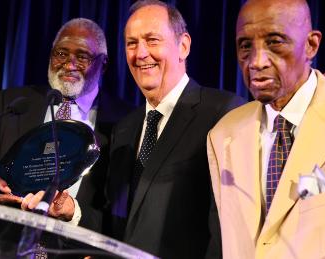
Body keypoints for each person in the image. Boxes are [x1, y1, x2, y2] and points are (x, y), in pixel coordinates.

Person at [207, 0, 325, 258]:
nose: (256, 61)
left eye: (274, 42)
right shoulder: (222, 135)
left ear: (311, 44)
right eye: (245, 46)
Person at [0, 18, 132, 231]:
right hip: (4, 241)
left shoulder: (125, 121)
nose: (69, 65)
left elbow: (123, 213)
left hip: (76, 249)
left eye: (82, 57)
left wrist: (74, 213)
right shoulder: (12, 103)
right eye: (61, 53)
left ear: (103, 64)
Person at [104, 1, 245, 258]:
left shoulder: (222, 112)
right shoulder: (124, 129)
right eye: (131, 43)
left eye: (152, 40)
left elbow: (231, 226)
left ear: (183, 46)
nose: (140, 53)